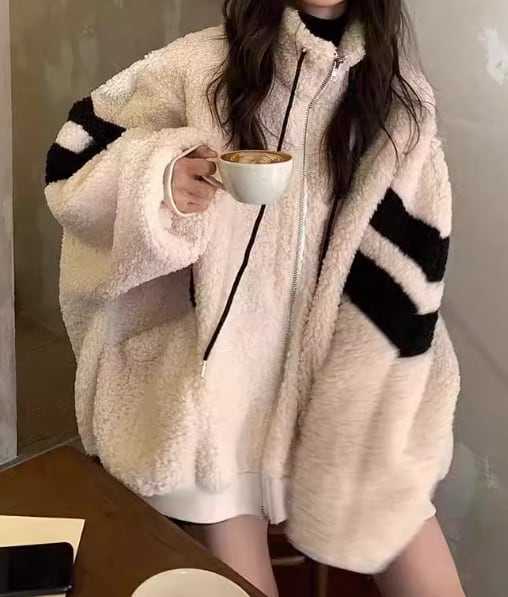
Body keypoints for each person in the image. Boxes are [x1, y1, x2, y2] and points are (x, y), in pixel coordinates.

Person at [45, 0, 465, 595]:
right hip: (217, 386)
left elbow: (410, 265)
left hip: (339, 377)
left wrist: (364, 407)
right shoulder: (199, 65)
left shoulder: (400, 100)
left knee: (411, 536)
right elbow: (72, 160)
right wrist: (162, 177)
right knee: (235, 571)